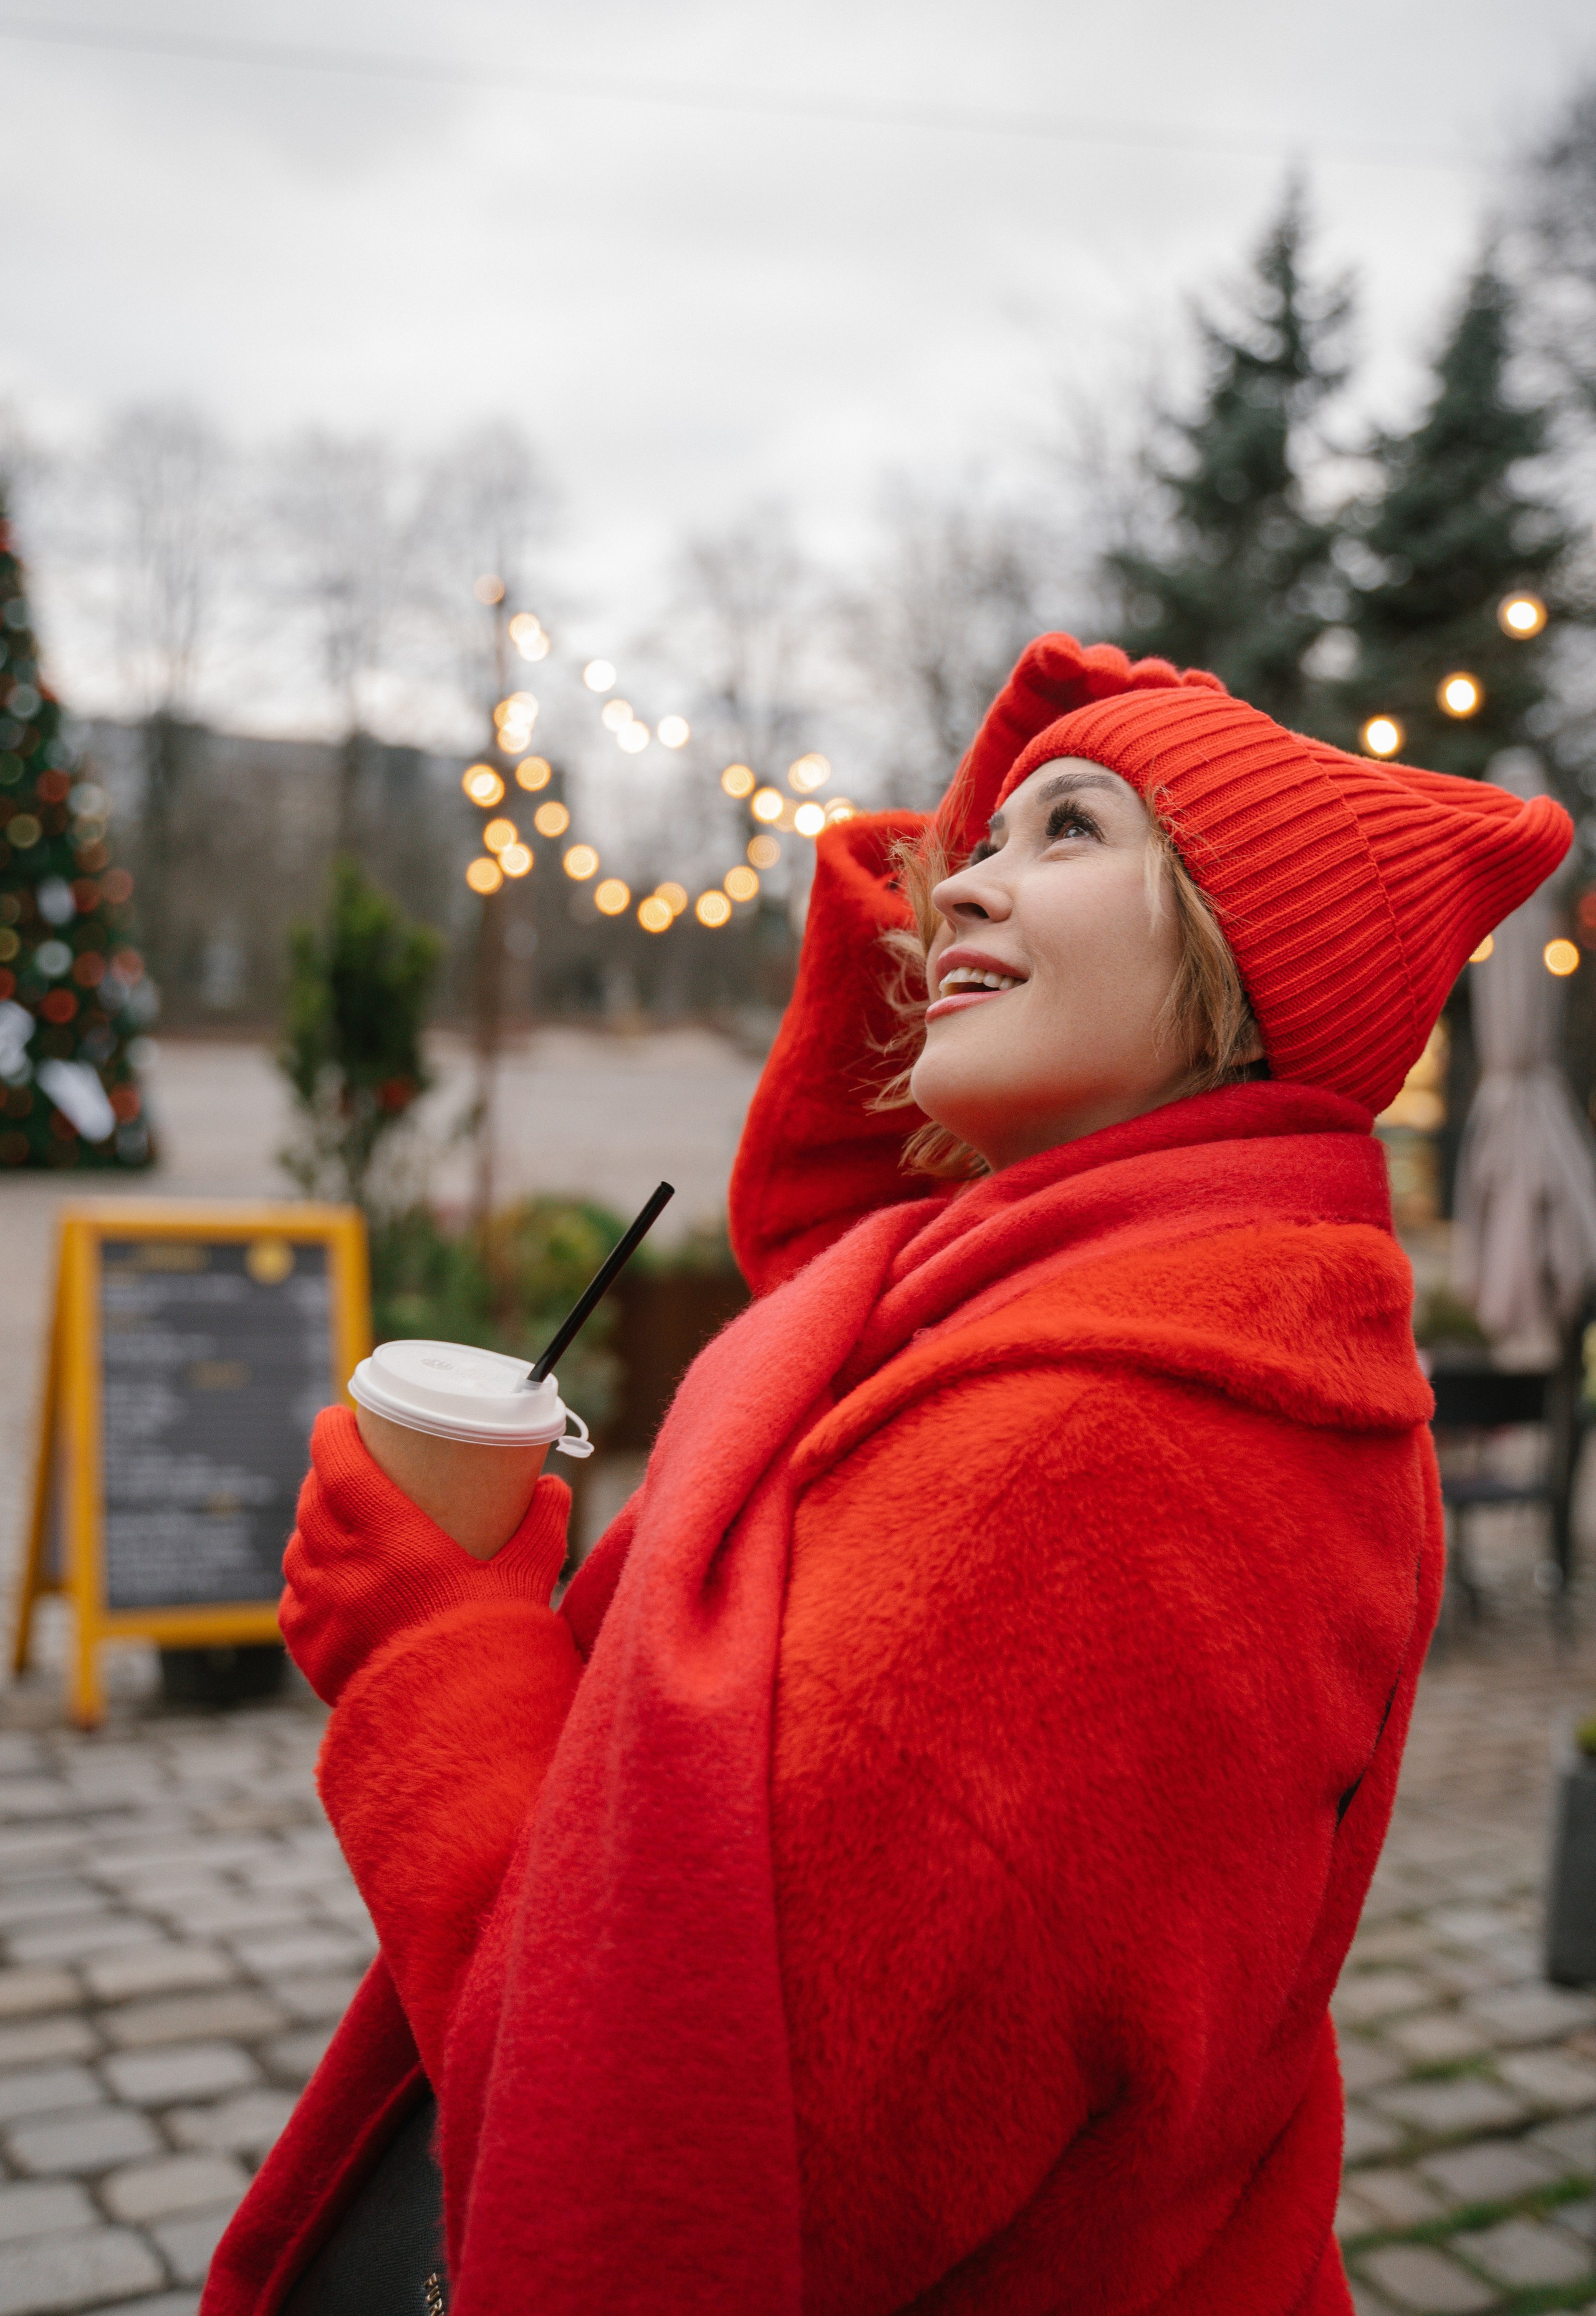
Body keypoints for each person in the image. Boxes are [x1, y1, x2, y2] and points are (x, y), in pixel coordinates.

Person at [203, 636, 1570, 2316]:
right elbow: (833, 1214)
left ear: (1243, 961)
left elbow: (699, 2175)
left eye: (1070, 834)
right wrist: (1027, 815)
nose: (963, 894)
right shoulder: (1094, 1312)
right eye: (977, 852)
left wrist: (430, 1640)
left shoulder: (1099, 1467)